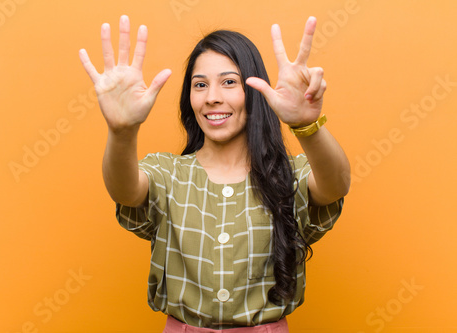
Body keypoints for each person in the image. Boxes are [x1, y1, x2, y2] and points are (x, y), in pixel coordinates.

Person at [79, 14, 350, 332]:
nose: (212, 97)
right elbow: (125, 190)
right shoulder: (169, 174)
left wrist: (306, 126)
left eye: (229, 82)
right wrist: (121, 131)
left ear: (254, 92)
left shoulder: (288, 177)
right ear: (189, 97)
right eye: (200, 85)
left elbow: (335, 185)